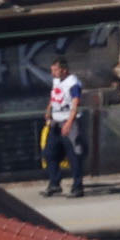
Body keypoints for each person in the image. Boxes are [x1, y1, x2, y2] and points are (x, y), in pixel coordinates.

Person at [39, 53, 90, 198]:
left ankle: (77, 186)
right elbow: (54, 96)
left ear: (64, 70)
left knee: (74, 154)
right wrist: (49, 109)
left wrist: (69, 123)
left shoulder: (73, 83)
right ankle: (54, 183)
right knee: (49, 153)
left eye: (55, 70)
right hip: (55, 122)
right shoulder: (56, 81)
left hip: (69, 122)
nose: (53, 73)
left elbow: (75, 103)